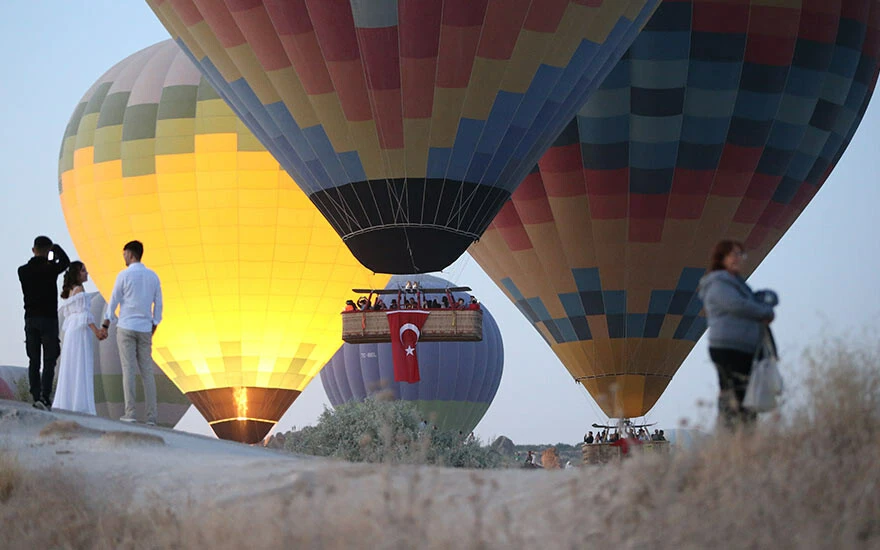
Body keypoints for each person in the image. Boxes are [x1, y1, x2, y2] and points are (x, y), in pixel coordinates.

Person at [698, 240, 776, 428]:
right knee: (736, 394)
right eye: (734, 254)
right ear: (721, 258)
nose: (738, 259)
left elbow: (757, 300)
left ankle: (743, 435)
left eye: (741, 254)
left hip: (744, 349)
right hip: (729, 348)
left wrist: (764, 303)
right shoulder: (717, 284)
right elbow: (738, 305)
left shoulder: (737, 284)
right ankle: (734, 437)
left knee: (746, 394)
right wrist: (764, 311)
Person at [102, 241, 163, 425]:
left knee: (128, 370)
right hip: (145, 328)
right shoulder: (153, 276)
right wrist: (154, 324)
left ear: (130, 254)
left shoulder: (124, 275)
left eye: (124, 254)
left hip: (127, 326)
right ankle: (151, 417)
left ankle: (130, 413)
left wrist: (108, 320)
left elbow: (113, 300)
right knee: (147, 372)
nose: (123, 257)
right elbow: (158, 304)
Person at [18, 236, 70, 410]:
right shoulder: (50, 269)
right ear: (48, 250)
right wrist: (55, 248)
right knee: (49, 360)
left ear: (33, 250)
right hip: (48, 320)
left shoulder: (22, 271)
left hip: (30, 319)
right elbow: (66, 261)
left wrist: (48, 253)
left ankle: (35, 394)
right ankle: (45, 397)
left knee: (34, 359)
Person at [53, 262, 106, 414]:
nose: (86, 273)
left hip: (71, 333)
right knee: (81, 364)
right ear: (77, 274)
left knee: (71, 365)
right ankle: (80, 404)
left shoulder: (70, 292)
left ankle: (68, 402)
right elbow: (85, 315)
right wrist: (97, 331)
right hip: (80, 332)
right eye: (83, 271)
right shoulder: (80, 291)